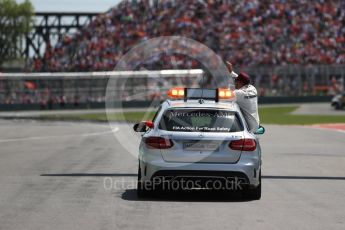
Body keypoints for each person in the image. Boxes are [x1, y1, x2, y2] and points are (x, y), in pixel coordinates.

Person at [226, 61, 260, 133]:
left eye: (236, 81)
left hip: (248, 128)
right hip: (256, 125)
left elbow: (223, 98)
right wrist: (231, 72)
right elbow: (240, 78)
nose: (235, 83)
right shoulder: (253, 88)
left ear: (241, 83)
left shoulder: (239, 94)